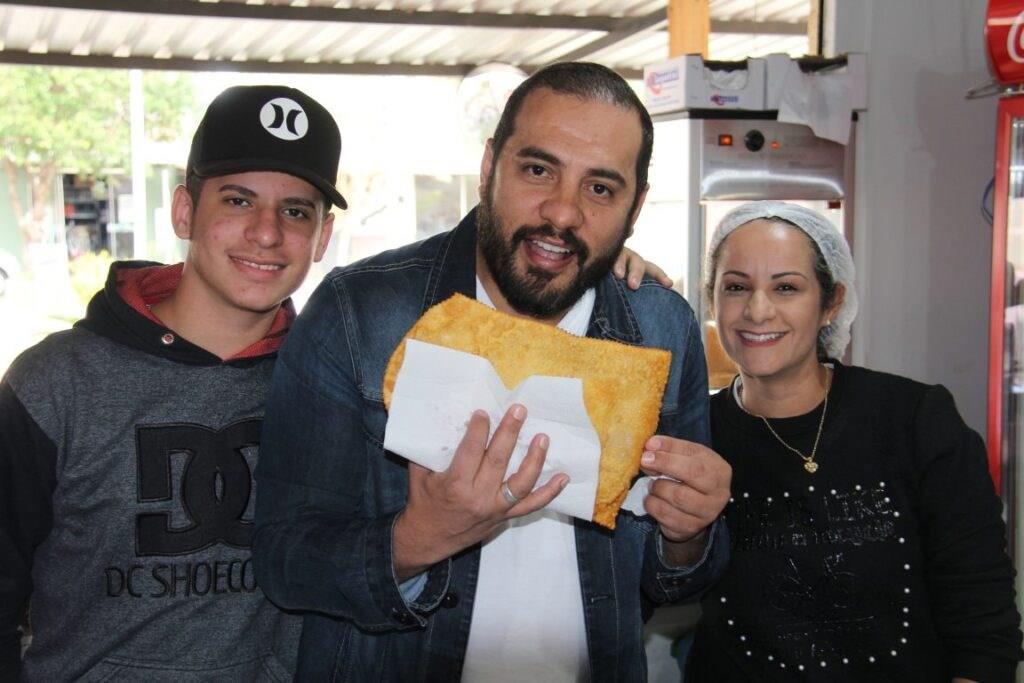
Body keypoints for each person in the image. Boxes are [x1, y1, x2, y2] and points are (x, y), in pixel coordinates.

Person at [252, 61, 731, 682]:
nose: (562, 213)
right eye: (538, 170)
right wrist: (420, 537)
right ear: (488, 167)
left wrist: (689, 534)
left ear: (635, 208)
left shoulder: (662, 330)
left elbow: (673, 577)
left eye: (600, 189)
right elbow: (284, 561)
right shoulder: (361, 311)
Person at [0, 84, 344, 680]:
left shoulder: (335, 386)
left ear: (322, 236)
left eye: (295, 210)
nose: (267, 233)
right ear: (185, 210)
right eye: (238, 201)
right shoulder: (56, 384)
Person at [680, 201, 1023, 681]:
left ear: (831, 303)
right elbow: (658, 585)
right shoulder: (693, 435)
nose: (757, 310)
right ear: (713, 301)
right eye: (736, 287)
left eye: (786, 287)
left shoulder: (915, 420)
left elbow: (979, 606)